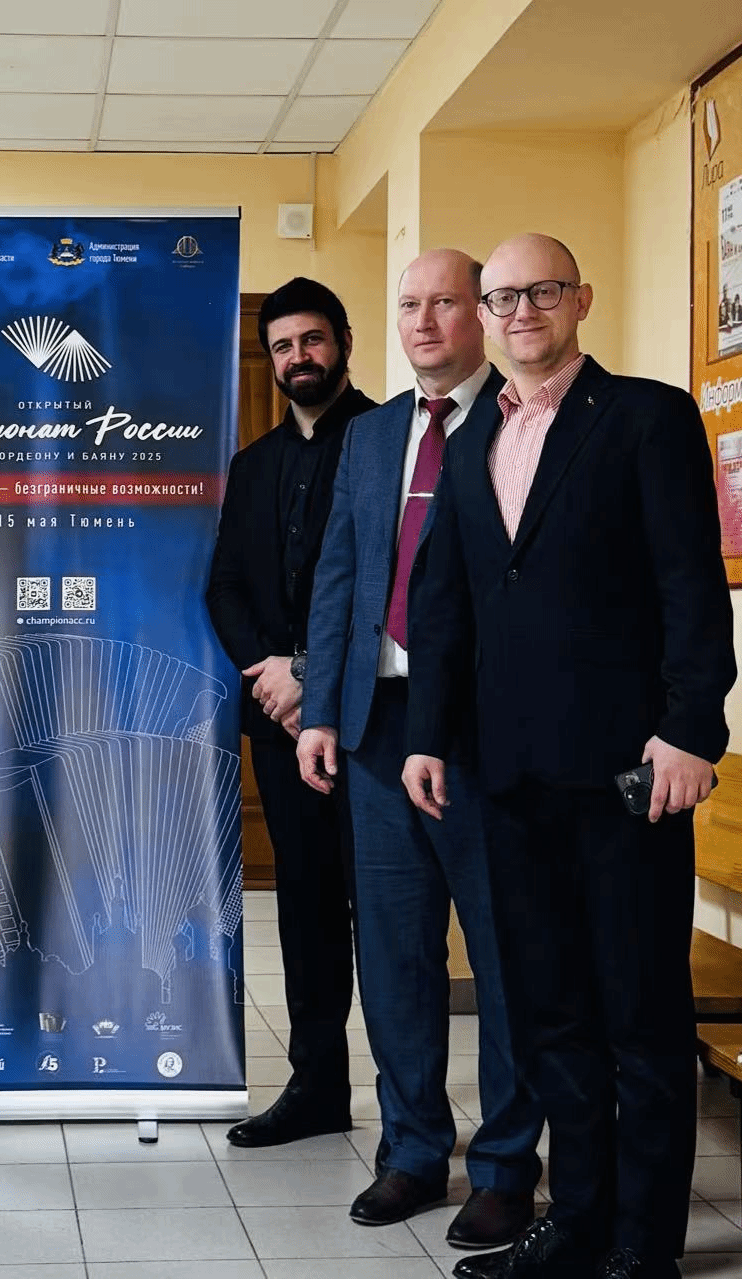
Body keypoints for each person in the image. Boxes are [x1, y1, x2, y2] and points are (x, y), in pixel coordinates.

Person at [403, 234, 735, 1279]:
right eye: (502, 297)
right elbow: (446, 605)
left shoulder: (644, 416)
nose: (521, 312)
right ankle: (580, 1221)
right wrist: (427, 736)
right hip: (507, 776)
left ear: (580, 298)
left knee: (638, 1017)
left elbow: (691, 582)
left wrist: (693, 726)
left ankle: (644, 1246)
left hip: (630, 774)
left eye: (541, 291)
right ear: (484, 313)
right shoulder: (470, 440)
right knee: (552, 1015)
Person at [298, 249, 542, 1248]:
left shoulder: (521, 423)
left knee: (503, 953)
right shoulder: (368, 435)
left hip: (485, 734)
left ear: (480, 314)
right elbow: (340, 576)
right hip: (376, 727)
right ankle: (411, 1150)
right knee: (395, 954)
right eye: (410, 304)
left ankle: (506, 1166)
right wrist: (320, 709)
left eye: (446, 302)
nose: (426, 321)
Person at [206, 279, 376, 1146]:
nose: (298, 357)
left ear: (343, 340)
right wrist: (271, 673)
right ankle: (317, 1088)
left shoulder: (389, 440)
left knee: (388, 919)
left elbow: (398, 587)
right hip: (279, 726)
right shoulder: (253, 464)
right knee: (305, 910)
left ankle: (412, 1108)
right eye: (282, 346)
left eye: (312, 339)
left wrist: (313, 674)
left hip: (376, 725)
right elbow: (226, 586)